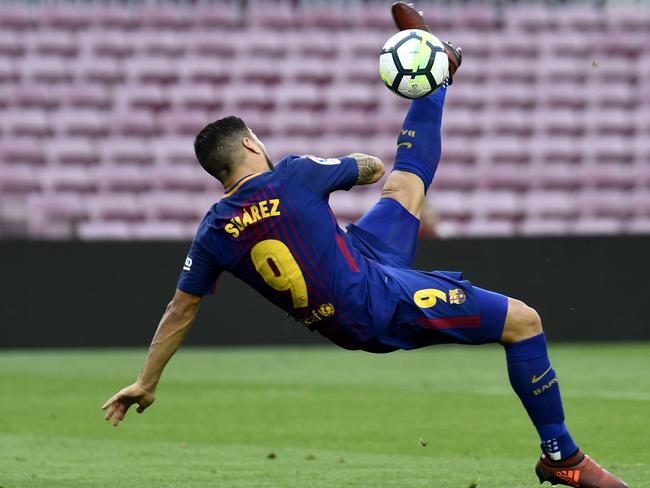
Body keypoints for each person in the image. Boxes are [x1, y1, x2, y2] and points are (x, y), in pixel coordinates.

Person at [102, 3, 627, 487]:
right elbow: (372, 169)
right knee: (523, 321)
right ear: (249, 143)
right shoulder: (293, 175)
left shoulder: (213, 231)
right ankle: (562, 457)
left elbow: (180, 309)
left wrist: (146, 382)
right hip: (376, 301)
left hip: (358, 269)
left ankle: (439, 72)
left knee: (408, 188)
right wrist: (349, 163)